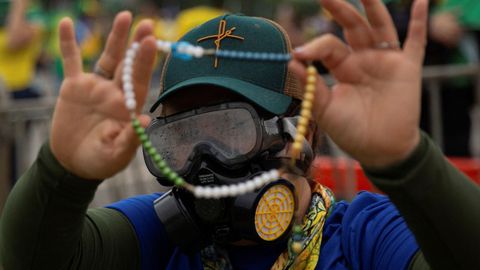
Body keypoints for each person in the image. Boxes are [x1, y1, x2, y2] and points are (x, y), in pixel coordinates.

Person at [0, 0, 479, 269]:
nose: (203, 161)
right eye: (183, 135)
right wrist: (62, 173)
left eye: (230, 128)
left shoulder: (365, 238)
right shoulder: (158, 235)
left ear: (300, 131)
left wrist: (407, 162)